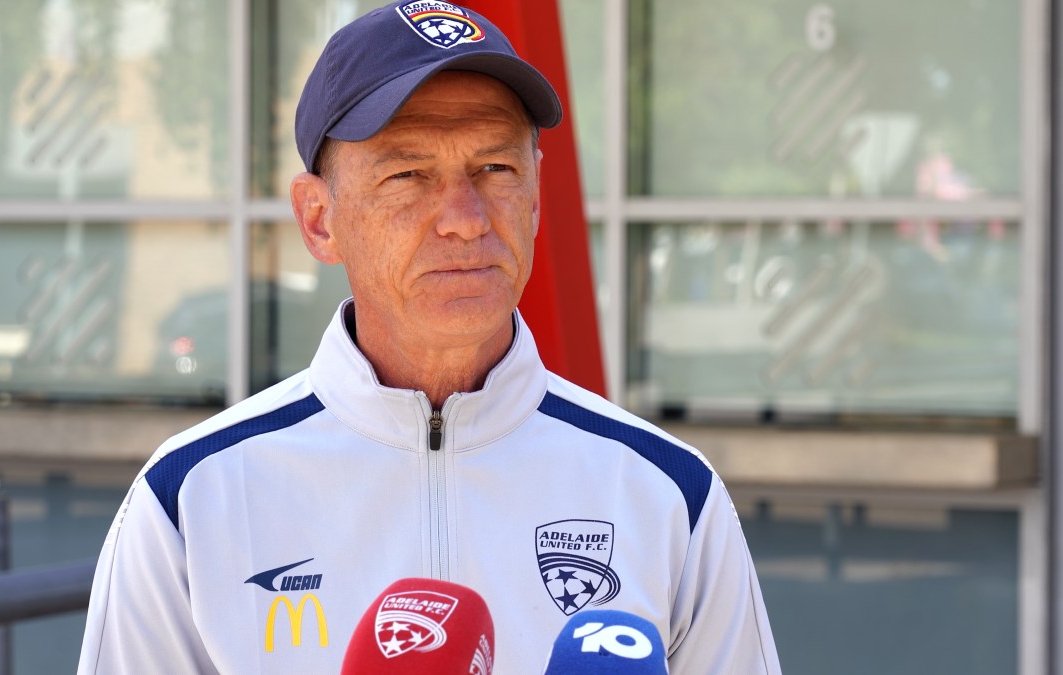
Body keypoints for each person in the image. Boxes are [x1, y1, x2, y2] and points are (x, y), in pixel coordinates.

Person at [77, 2, 782, 673]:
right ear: (320, 219)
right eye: (408, 174)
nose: (465, 218)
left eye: (495, 169)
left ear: (536, 196)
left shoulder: (667, 495)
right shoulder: (192, 501)